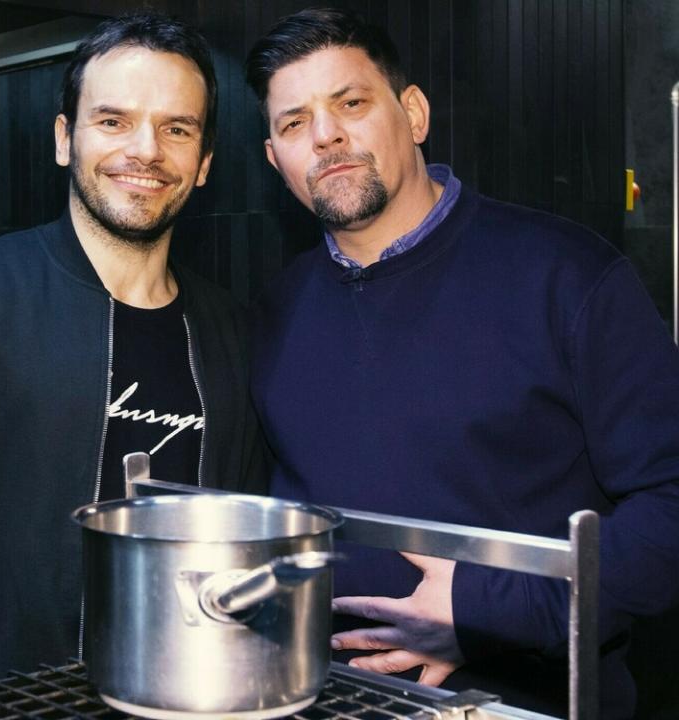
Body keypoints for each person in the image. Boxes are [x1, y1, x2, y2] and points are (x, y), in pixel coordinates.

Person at [245, 8, 679, 718]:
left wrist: (490, 613)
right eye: (294, 123)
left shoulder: (565, 275)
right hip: (323, 701)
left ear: (413, 113)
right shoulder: (273, 313)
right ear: (274, 159)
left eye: (351, 103)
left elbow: (671, 502)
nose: (325, 135)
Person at [0, 13, 265, 702]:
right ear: (66, 140)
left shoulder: (231, 333)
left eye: (177, 129)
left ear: (204, 163)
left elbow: (247, 546)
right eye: (113, 121)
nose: (145, 151)